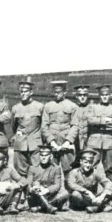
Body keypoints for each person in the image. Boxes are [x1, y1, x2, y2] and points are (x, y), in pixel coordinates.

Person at [10, 80, 45, 210]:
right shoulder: (15, 108)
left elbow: (43, 125)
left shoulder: (40, 107)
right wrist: (18, 135)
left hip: (36, 144)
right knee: (21, 172)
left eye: (26, 91)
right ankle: (21, 198)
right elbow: (13, 127)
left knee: (35, 171)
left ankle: (34, 199)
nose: (23, 94)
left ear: (31, 92)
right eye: (21, 92)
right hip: (20, 144)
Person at [42, 80, 79, 179]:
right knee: (51, 170)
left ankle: (69, 193)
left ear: (65, 92)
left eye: (59, 92)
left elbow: (75, 125)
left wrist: (68, 141)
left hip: (66, 143)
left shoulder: (72, 106)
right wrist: (51, 141)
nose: (56, 94)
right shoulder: (48, 106)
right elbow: (44, 126)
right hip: (52, 143)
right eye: (55, 92)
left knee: (68, 171)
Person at [67, 148, 112, 213]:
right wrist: (87, 192)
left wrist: (102, 196)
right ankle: (98, 207)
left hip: (93, 199)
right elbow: (71, 184)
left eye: (90, 162)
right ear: (81, 161)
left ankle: (96, 206)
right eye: (86, 162)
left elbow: (108, 184)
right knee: (75, 194)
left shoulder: (95, 172)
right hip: (80, 199)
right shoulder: (74, 172)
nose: (88, 165)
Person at [26, 143, 70, 214]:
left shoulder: (56, 168)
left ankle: (41, 207)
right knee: (36, 184)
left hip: (49, 195)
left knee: (65, 193)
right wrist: (32, 188)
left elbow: (57, 185)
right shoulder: (33, 168)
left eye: (46, 155)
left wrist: (46, 190)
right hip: (36, 196)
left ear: (51, 156)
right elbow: (28, 183)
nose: (43, 157)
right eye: (41, 155)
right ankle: (48, 206)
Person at [86, 85, 112, 178]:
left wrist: (98, 123)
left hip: (108, 142)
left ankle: (109, 189)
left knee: (109, 168)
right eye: (102, 95)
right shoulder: (93, 107)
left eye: (107, 95)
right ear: (99, 95)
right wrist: (105, 120)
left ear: (109, 95)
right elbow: (90, 120)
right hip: (94, 141)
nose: (104, 97)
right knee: (90, 165)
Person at [74, 84, 92, 154]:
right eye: (80, 95)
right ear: (76, 96)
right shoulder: (73, 108)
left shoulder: (92, 108)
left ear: (87, 96)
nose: (82, 97)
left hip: (88, 140)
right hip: (76, 140)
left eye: (84, 95)